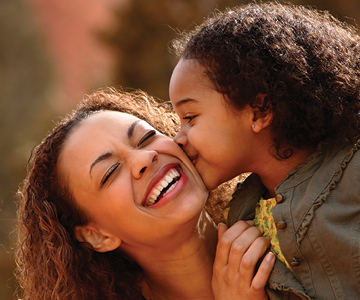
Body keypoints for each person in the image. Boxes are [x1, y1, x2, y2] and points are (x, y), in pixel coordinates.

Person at [169, 2, 360, 300]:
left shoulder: (352, 173)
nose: (177, 139)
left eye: (190, 117)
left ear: (259, 110)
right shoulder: (239, 225)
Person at [15, 88, 275, 300]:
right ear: (97, 235)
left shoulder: (287, 209)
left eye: (146, 138)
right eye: (110, 172)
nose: (144, 159)